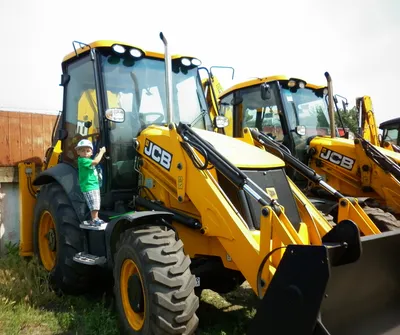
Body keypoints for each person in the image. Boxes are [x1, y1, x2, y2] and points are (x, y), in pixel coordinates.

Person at [75, 139, 106, 226]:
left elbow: (94, 160)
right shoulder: (82, 160)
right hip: (89, 186)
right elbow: (96, 161)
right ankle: (95, 219)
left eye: (88, 151)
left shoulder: (88, 161)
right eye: (82, 150)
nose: (85, 153)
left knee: (95, 202)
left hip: (93, 185)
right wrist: (102, 152)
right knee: (94, 203)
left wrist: (98, 154)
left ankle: (95, 218)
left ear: (91, 153)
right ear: (78, 152)